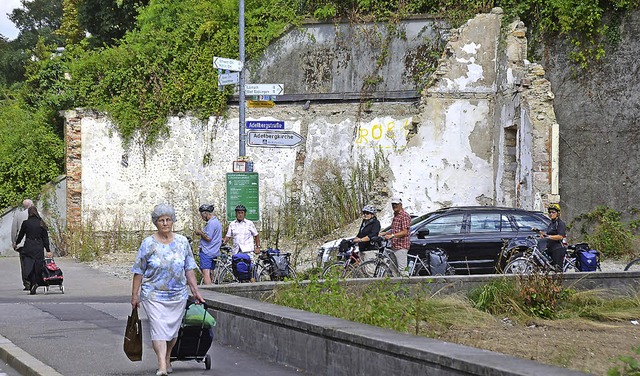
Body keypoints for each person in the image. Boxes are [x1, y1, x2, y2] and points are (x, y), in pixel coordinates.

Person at [130, 204, 205, 376]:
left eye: (168, 220)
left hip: (177, 294)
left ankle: (169, 355)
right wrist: (135, 295)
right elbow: (138, 271)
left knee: (172, 332)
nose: (165, 223)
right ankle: (162, 365)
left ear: (173, 221)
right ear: (155, 223)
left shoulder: (182, 242)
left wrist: (196, 291)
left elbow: (189, 269)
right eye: (161, 220)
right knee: (158, 328)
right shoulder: (148, 244)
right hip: (153, 294)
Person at [14, 206, 51, 295]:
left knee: (28, 266)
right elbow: (45, 238)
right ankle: (36, 282)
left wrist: (16, 243)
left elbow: (21, 235)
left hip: (28, 247)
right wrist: (48, 250)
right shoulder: (41, 223)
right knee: (38, 266)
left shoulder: (26, 223)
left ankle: (32, 282)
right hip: (39, 247)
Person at [380, 197, 411, 276]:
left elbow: (405, 231)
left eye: (396, 204)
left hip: (401, 246)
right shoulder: (396, 216)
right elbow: (395, 230)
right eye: (393, 204)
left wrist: (392, 236)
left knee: (403, 271)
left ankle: (408, 286)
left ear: (400, 205)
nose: (394, 206)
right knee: (393, 270)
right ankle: (396, 287)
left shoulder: (404, 216)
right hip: (394, 246)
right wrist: (385, 233)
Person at [194, 204, 222, 285]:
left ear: (205, 214)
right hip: (214, 251)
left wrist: (200, 232)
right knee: (211, 272)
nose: (202, 217)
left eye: (202, 215)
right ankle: (214, 290)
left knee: (205, 274)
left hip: (207, 251)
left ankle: (209, 293)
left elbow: (208, 238)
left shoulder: (211, 223)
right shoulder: (217, 222)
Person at [11, 199, 33, 290]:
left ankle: (27, 283)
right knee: (33, 262)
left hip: (22, 244)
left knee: (24, 264)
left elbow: (14, 230)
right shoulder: (38, 214)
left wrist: (14, 242)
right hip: (34, 243)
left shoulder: (18, 215)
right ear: (32, 205)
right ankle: (34, 281)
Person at [539, 203, 567, 270]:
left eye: (553, 212)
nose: (551, 214)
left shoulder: (560, 223)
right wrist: (543, 234)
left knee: (557, 270)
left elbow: (560, 236)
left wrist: (548, 237)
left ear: (558, 213)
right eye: (549, 212)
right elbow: (549, 233)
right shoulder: (551, 223)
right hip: (550, 248)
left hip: (558, 249)